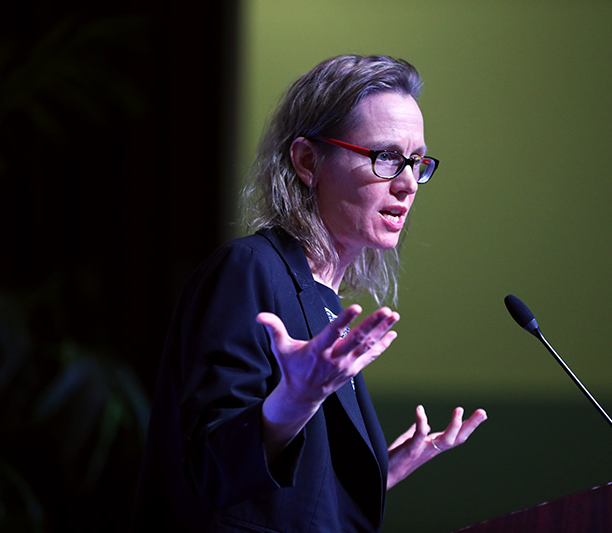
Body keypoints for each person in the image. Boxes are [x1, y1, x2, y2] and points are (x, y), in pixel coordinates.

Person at [131, 54, 487, 532]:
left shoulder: (323, 300)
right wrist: (296, 397)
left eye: (416, 161)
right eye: (385, 157)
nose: (407, 183)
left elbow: (286, 500)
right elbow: (208, 472)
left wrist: (377, 471)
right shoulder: (251, 271)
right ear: (306, 160)